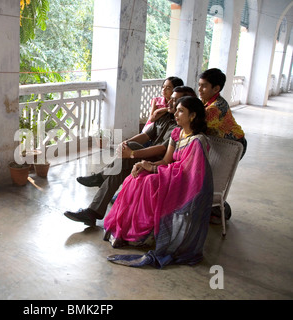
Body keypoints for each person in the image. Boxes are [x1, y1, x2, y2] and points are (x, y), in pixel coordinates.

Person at [104, 96, 213, 269]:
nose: (175, 113)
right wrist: (143, 165)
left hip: (184, 184)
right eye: (176, 109)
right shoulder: (177, 133)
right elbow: (165, 161)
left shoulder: (198, 141)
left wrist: (153, 169)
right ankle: (129, 233)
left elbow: (189, 173)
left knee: (149, 183)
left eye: (180, 111)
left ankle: (144, 235)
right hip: (170, 175)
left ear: (192, 115)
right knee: (136, 178)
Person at [64, 86, 197, 227]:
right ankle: (92, 212)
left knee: (129, 152)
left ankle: (101, 178)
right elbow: (146, 135)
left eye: (176, 101)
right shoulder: (164, 117)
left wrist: (132, 152)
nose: (170, 102)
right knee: (120, 165)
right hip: (149, 157)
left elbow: (162, 150)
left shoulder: (182, 127)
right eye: (171, 99)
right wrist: (125, 143)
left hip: (161, 163)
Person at [198, 68, 247, 158]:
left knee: (221, 171)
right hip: (218, 141)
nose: (199, 89)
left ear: (216, 89)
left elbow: (195, 124)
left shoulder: (216, 108)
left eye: (204, 86)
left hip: (234, 144)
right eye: (199, 85)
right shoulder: (205, 100)